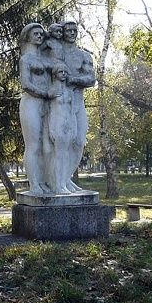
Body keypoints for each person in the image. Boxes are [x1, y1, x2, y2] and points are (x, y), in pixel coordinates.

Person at [18, 23, 59, 194]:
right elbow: (26, 84)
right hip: (32, 103)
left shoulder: (45, 58)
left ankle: (45, 181)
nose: (40, 36)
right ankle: (34, 183)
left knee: (47, 146)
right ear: (27, 36)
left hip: (47, 104)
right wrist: (45, 93)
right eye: (36, 33)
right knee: (33, 145)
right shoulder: (26, 59)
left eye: (41, 33)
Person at [61, 20, 95, 191]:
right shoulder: (55, 53)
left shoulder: (84, 56)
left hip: (77, 101)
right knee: (61, 143)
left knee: (79, 141)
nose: (72, 33)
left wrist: (73, 79)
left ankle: (66, 178)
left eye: (74, 30)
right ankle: (60, 181)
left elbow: (91, 79)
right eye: (68, 30)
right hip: (59, 103)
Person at [43, 62, 77, 193]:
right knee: (58, 155)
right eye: (60, 72)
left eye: (65, 72)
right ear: (55, 74)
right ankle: (57, 185)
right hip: (57, 124)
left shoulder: (70, 92)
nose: (63, 74)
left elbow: (72, 111)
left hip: (68, 125)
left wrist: (74, 128)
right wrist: (51, 128)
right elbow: (49, 112)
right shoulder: (51, 92)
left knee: (66, 155)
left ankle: (64, 183)